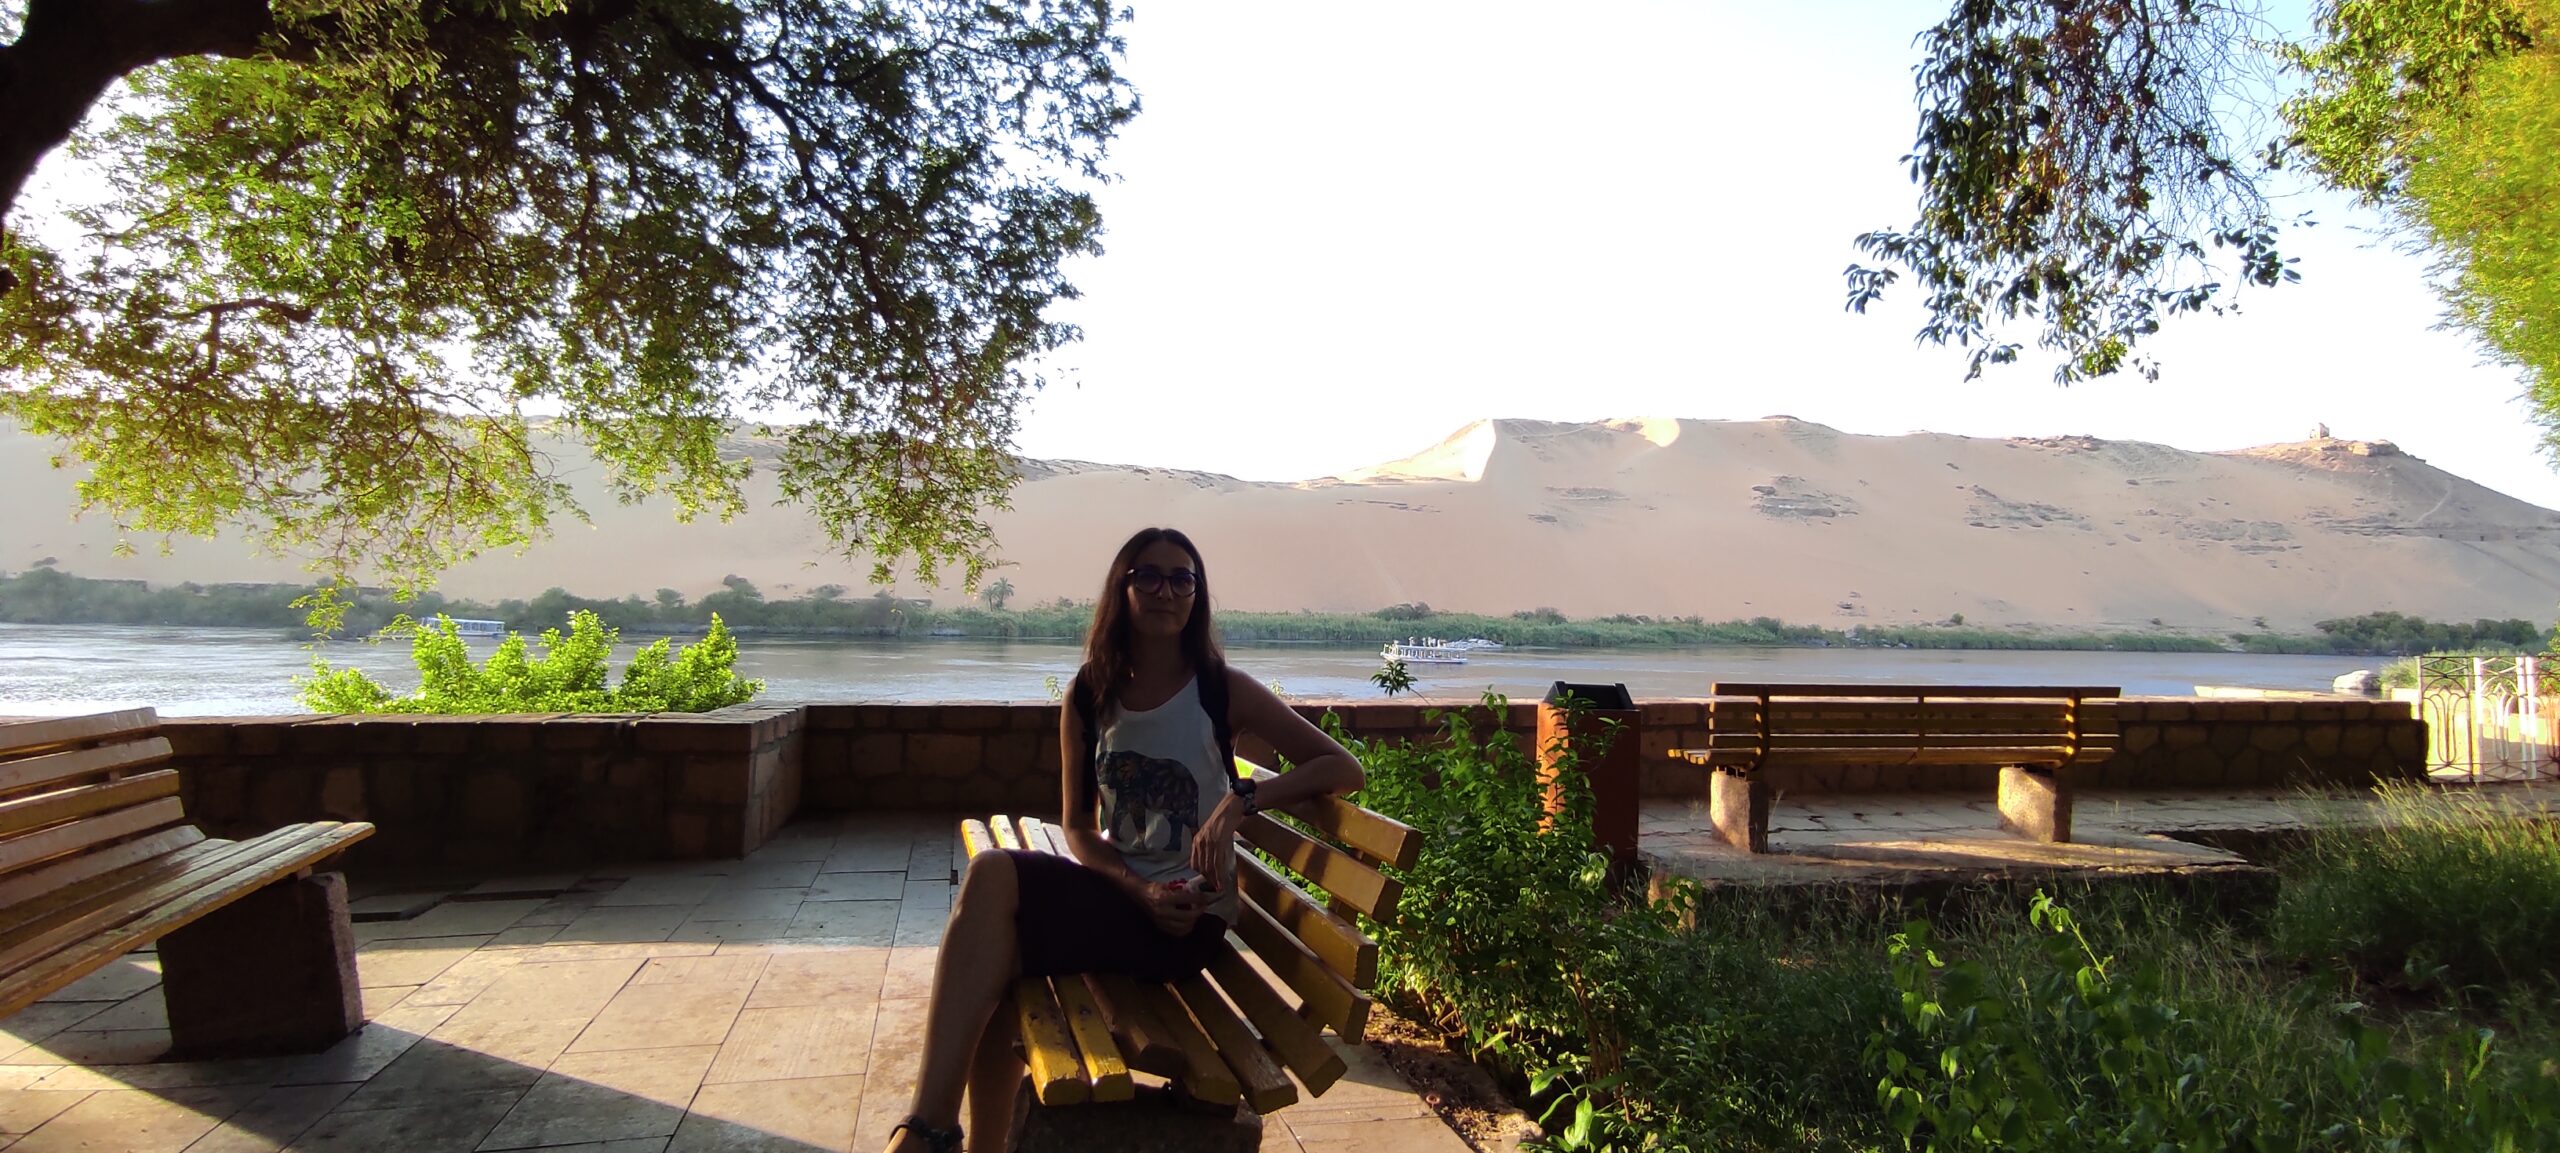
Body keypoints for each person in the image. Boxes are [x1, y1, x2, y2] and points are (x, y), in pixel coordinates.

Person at [883, 527, 1367, 1153]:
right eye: (1150, 576)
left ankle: (929, 1134)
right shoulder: (1091, 693)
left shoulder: (1222, 689)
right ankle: (944, 1132)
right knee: (993, 895)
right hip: (1125, 898)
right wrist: (1136, 888)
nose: (1167, 591)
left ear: (1196, 595)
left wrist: (1240, 801)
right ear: (1124, 588)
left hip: (1187, 920)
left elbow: (1343, 768)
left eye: (1182, 578)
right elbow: (1079, 829)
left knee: (995, 934)